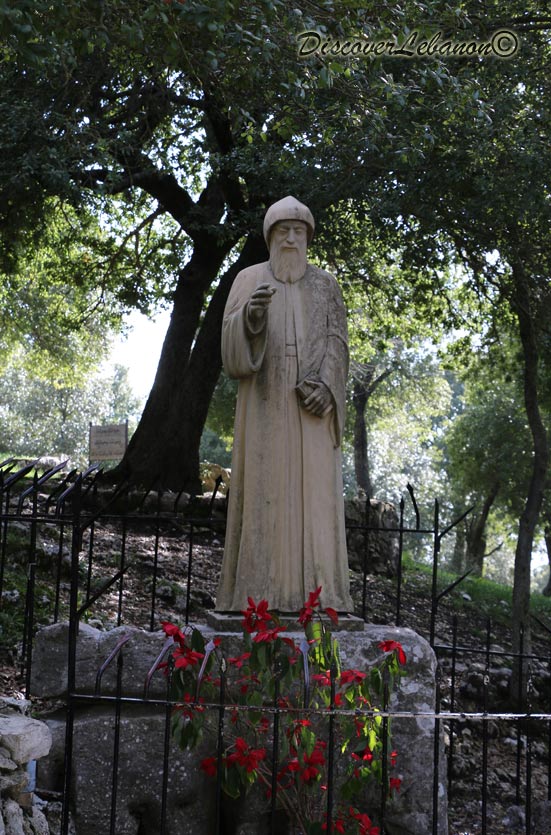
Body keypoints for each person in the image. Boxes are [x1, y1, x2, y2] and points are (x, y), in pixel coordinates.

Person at [216, 196, 352, 613]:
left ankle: (321, 597)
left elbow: (337, 342)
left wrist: (328, 387)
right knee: (263, 493)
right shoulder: (248, 278)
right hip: (264, 403)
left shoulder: (326, 284)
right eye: (282, 231)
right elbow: (229, 345)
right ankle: (257, 596)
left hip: (312, 409)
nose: (291, 239)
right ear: (269, 237)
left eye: (298, 231)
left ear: (308, 238)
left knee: (316, 500)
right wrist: (251, 321)